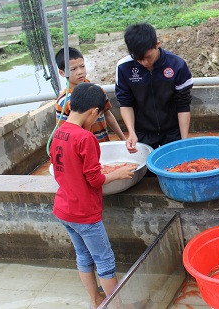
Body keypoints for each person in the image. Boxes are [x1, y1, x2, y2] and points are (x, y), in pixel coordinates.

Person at [50, 83, 137, 309]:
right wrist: (117, 174)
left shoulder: (57, 132)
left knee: (83, 256)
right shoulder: (85, 138)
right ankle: (117, 306)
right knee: (105, 260)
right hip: (84, 213)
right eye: (99, 114)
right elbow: (94, 179)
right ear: (93, 112)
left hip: (63, 209)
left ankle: (96, 299)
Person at [115, 22, 193, 153]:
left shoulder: (177, 64)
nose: (144, 63)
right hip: (142, 133)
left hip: (172, 132)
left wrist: (184, 139)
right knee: (144, 171)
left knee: (176, 167)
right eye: (138, 59)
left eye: (148, 57)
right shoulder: (124, 67)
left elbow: (183, 104)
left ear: (157, 44)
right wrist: (131, 132)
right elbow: (125, 103)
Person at [55, 47, 126, 142]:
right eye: (73, 69)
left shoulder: (97, 90)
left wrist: (123, 138)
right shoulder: (64, 101)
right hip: (81, 149)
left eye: (82, 66)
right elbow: (62, 133)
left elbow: (108, 114)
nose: (80, 72)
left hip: (103, 143)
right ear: (62, 73)